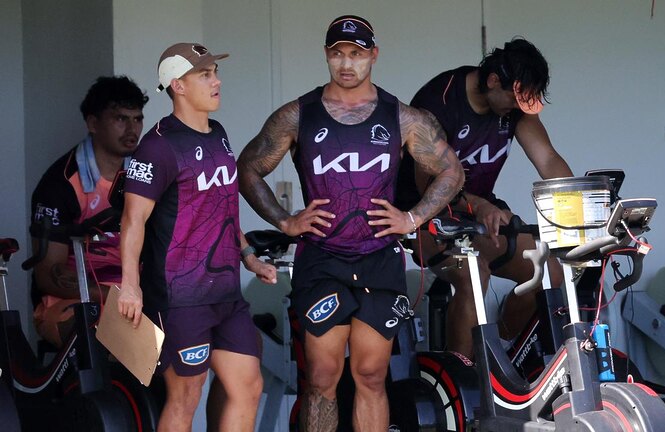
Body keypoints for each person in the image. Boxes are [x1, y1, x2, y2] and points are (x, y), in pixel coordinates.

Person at [237, 15, 464, 432]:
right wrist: (285, 221)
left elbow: (452, 172)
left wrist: (412, 217)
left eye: (357, 54)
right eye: (338, 53)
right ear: (326, 55)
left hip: (380, 260)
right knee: (322, 377)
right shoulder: (297, 115)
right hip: (322, 260)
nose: (346, 63)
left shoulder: (402, 117)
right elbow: (247, 168)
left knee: (372, 375)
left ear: (373, 55)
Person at [117, 43, 278, 432]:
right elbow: (132, 221)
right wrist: (130, 286)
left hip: (226, 292)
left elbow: (221, 209)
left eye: (215, 73)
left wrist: (248, 257)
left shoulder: (218, 134)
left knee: (249, 386)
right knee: (186, 395)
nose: (216, 81)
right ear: (178, 85)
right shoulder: (157, 146)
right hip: (180, 297)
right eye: (204, 75)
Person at [395, 38, 573, 358]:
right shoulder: (439, 102)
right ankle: (465, 383)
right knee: (473, 274)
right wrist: (478, 205)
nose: (517, 109)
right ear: (493, 81)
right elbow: (427, 184)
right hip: (425, 216)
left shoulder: (511, 105)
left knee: (549, 271)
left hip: (480, 214)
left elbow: (548, 160)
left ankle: (495, 357)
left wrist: (582, 206)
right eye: (513, 99)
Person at [29, 75, 148, 348]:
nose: (132, 129)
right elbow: (48, 276)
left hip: (136, 295)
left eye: (137, 118)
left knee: (182, 343)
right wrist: (114, 295)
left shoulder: (146, 172)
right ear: (93, 123)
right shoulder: (59, 184)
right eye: (120, 118)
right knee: (107, 346)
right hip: (72, 301)